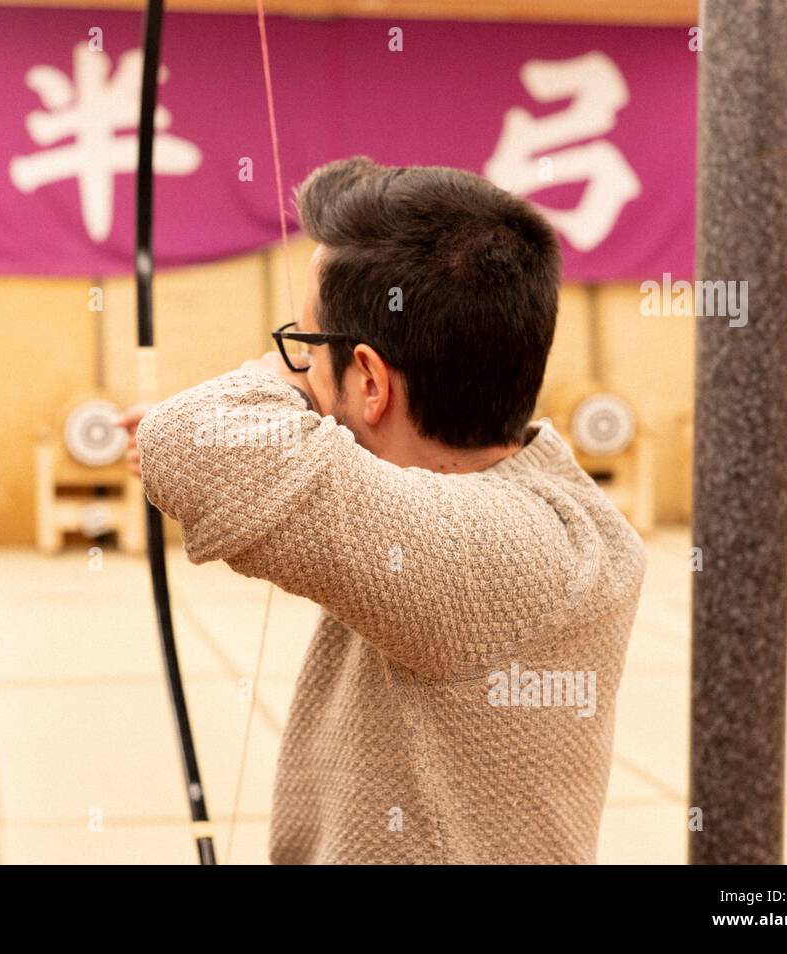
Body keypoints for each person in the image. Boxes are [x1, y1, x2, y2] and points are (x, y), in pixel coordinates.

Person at [118, 156, 646, 864]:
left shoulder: (510, 554)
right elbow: (210, 448)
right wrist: (294, 394)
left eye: (303, 343)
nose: (295, 366)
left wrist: (264, 403)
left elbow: (191, 445)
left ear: (369, 379)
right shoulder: (527, 498)